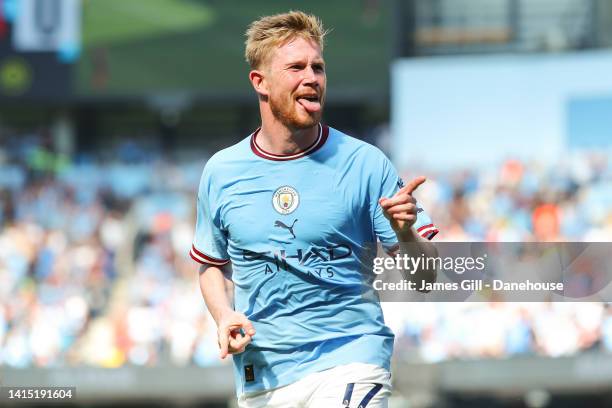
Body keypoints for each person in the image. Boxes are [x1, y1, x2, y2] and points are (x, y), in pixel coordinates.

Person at [190, 11, 439, 408]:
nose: (312, 77)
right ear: (261, 82)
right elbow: (211, 264)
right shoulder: (222, 172)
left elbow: (426, 278)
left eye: (318, 67)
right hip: (265, 373)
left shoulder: (365, 163)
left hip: (351, 359)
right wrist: (223, 315)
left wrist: (406, 232)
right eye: (296, 67)